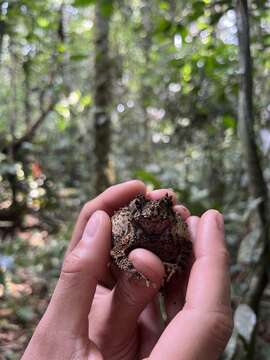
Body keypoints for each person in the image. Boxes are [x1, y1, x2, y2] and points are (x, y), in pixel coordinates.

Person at [22, 180, 233, 360]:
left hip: (164, 267)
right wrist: (129, 269)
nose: (153, 212)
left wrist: (175, 266)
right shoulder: (131, 229)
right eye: (143, 206)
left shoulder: (172, 227)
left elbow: (185, 244)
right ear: (136, 208)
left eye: (163, 207)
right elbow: (116, 254)